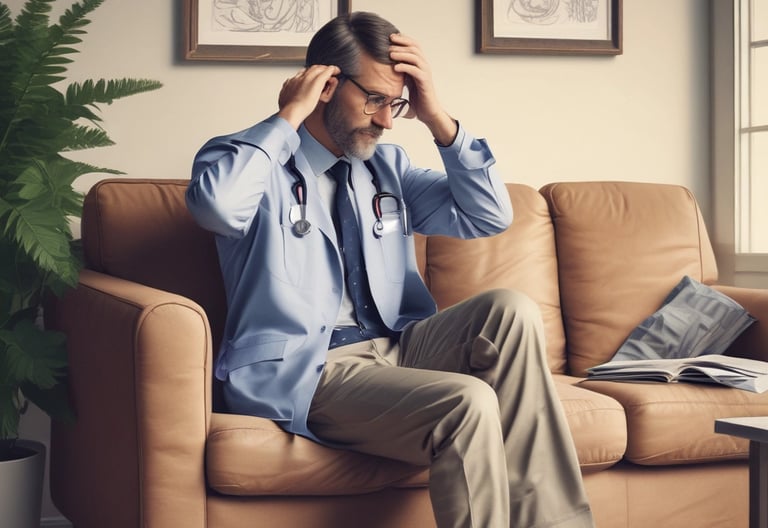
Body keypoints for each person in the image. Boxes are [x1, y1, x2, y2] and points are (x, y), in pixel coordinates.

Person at [186, 11, 594, 528]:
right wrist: (288, 116)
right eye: (375, 99)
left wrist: (436, 116)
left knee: (510, 311)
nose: (386, 120)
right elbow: (216, 208)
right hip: (309, 369)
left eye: (395, 103)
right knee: (466, 401)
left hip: (398, 349)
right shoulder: (250, 161)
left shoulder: (388, 167)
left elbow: (489, 215)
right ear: (326, 85)